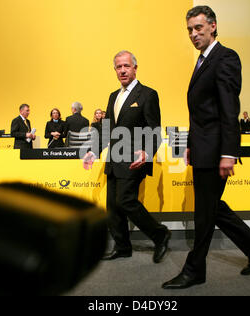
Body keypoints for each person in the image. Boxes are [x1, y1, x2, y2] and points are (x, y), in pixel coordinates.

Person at [162, 6, 250, 290]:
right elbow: (201, 112)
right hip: (202, 148)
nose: (193, 34)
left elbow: (228, 110)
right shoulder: (202, 61)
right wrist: (190, 145)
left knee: (204, 212)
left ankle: (195, 269)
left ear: (213, 26)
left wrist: (228, 153)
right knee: (211, 208)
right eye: (189, 30)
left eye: (198, 28)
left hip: (216, 152)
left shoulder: (226, 58)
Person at [83, 50, 171, 263]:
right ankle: (122, 247)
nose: (122, 70)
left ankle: (160, 234)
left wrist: (148, 153)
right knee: (113, 206)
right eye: (118, 67)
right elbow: (107, 129)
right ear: (115, 70)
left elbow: (154, 130)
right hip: (113, 159)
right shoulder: (113, 96)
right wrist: (94, 151)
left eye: (126, 66)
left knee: (125, 201)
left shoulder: (148, 94)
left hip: (134, 159)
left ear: (135, 68)